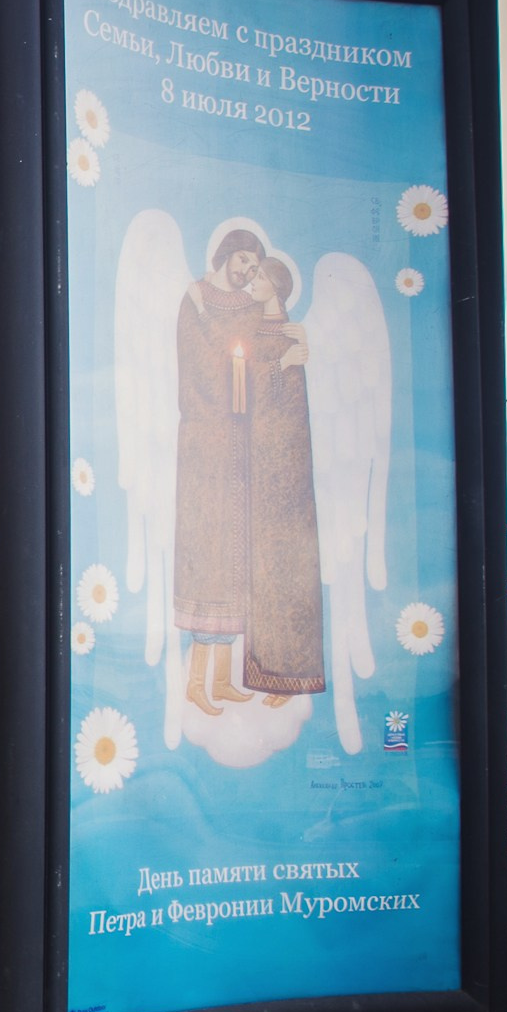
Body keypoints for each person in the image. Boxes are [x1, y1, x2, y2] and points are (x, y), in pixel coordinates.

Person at [172, 227, 270, 716]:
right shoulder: (196, 299)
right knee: (208, 560)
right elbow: (194, 363)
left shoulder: (248, 308)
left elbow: (261, 350)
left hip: (237, 446)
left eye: (255, 268)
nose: (247, 272)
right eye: (244, 261)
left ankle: (226, 679)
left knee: (236, 561)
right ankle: (196, 683)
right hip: (205, 445)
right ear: (228, 254)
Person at [239, 257, 325, 706]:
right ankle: (268, 672)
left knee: (292, 568)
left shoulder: (291, 333)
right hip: (263, 464)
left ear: (275, 285)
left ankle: (293, 676)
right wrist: (282, 365)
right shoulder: (255, 333)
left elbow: (292, 411)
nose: (251, 282)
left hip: (289, 470)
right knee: (266, 569)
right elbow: (247, 396)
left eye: (258, 277)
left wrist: (290, 361)